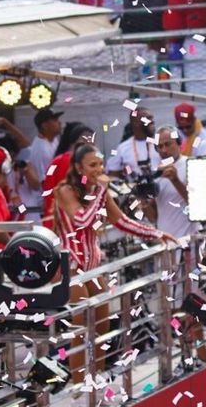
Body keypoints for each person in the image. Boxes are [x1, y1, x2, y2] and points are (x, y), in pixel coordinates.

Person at [52, 144, 175, 386]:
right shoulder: (65, 190)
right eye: (92, 165)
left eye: (100, 164)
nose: (98, 170)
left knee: (101, 326)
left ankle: (95, 382)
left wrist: (154, 233)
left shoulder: (99, 191)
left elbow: (121, 220)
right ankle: (78, 390)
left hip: (93, 267)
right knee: (81, 329)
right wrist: (101, 190)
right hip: (71, 267)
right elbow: (82, 221)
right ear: (78, 168)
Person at [42, 122, 97, 229]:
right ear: (73, 144)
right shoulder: (78, 165)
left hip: (54, 221)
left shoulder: (55, 161)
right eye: (86, 144)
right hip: (70, 223)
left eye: (92, 145)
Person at [106, 107, 160, 177]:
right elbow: (113, 175)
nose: (152, 121)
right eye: (148, 118)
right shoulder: (122, 148)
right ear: (135, 122)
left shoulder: (161, 144)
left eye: (152, 118)